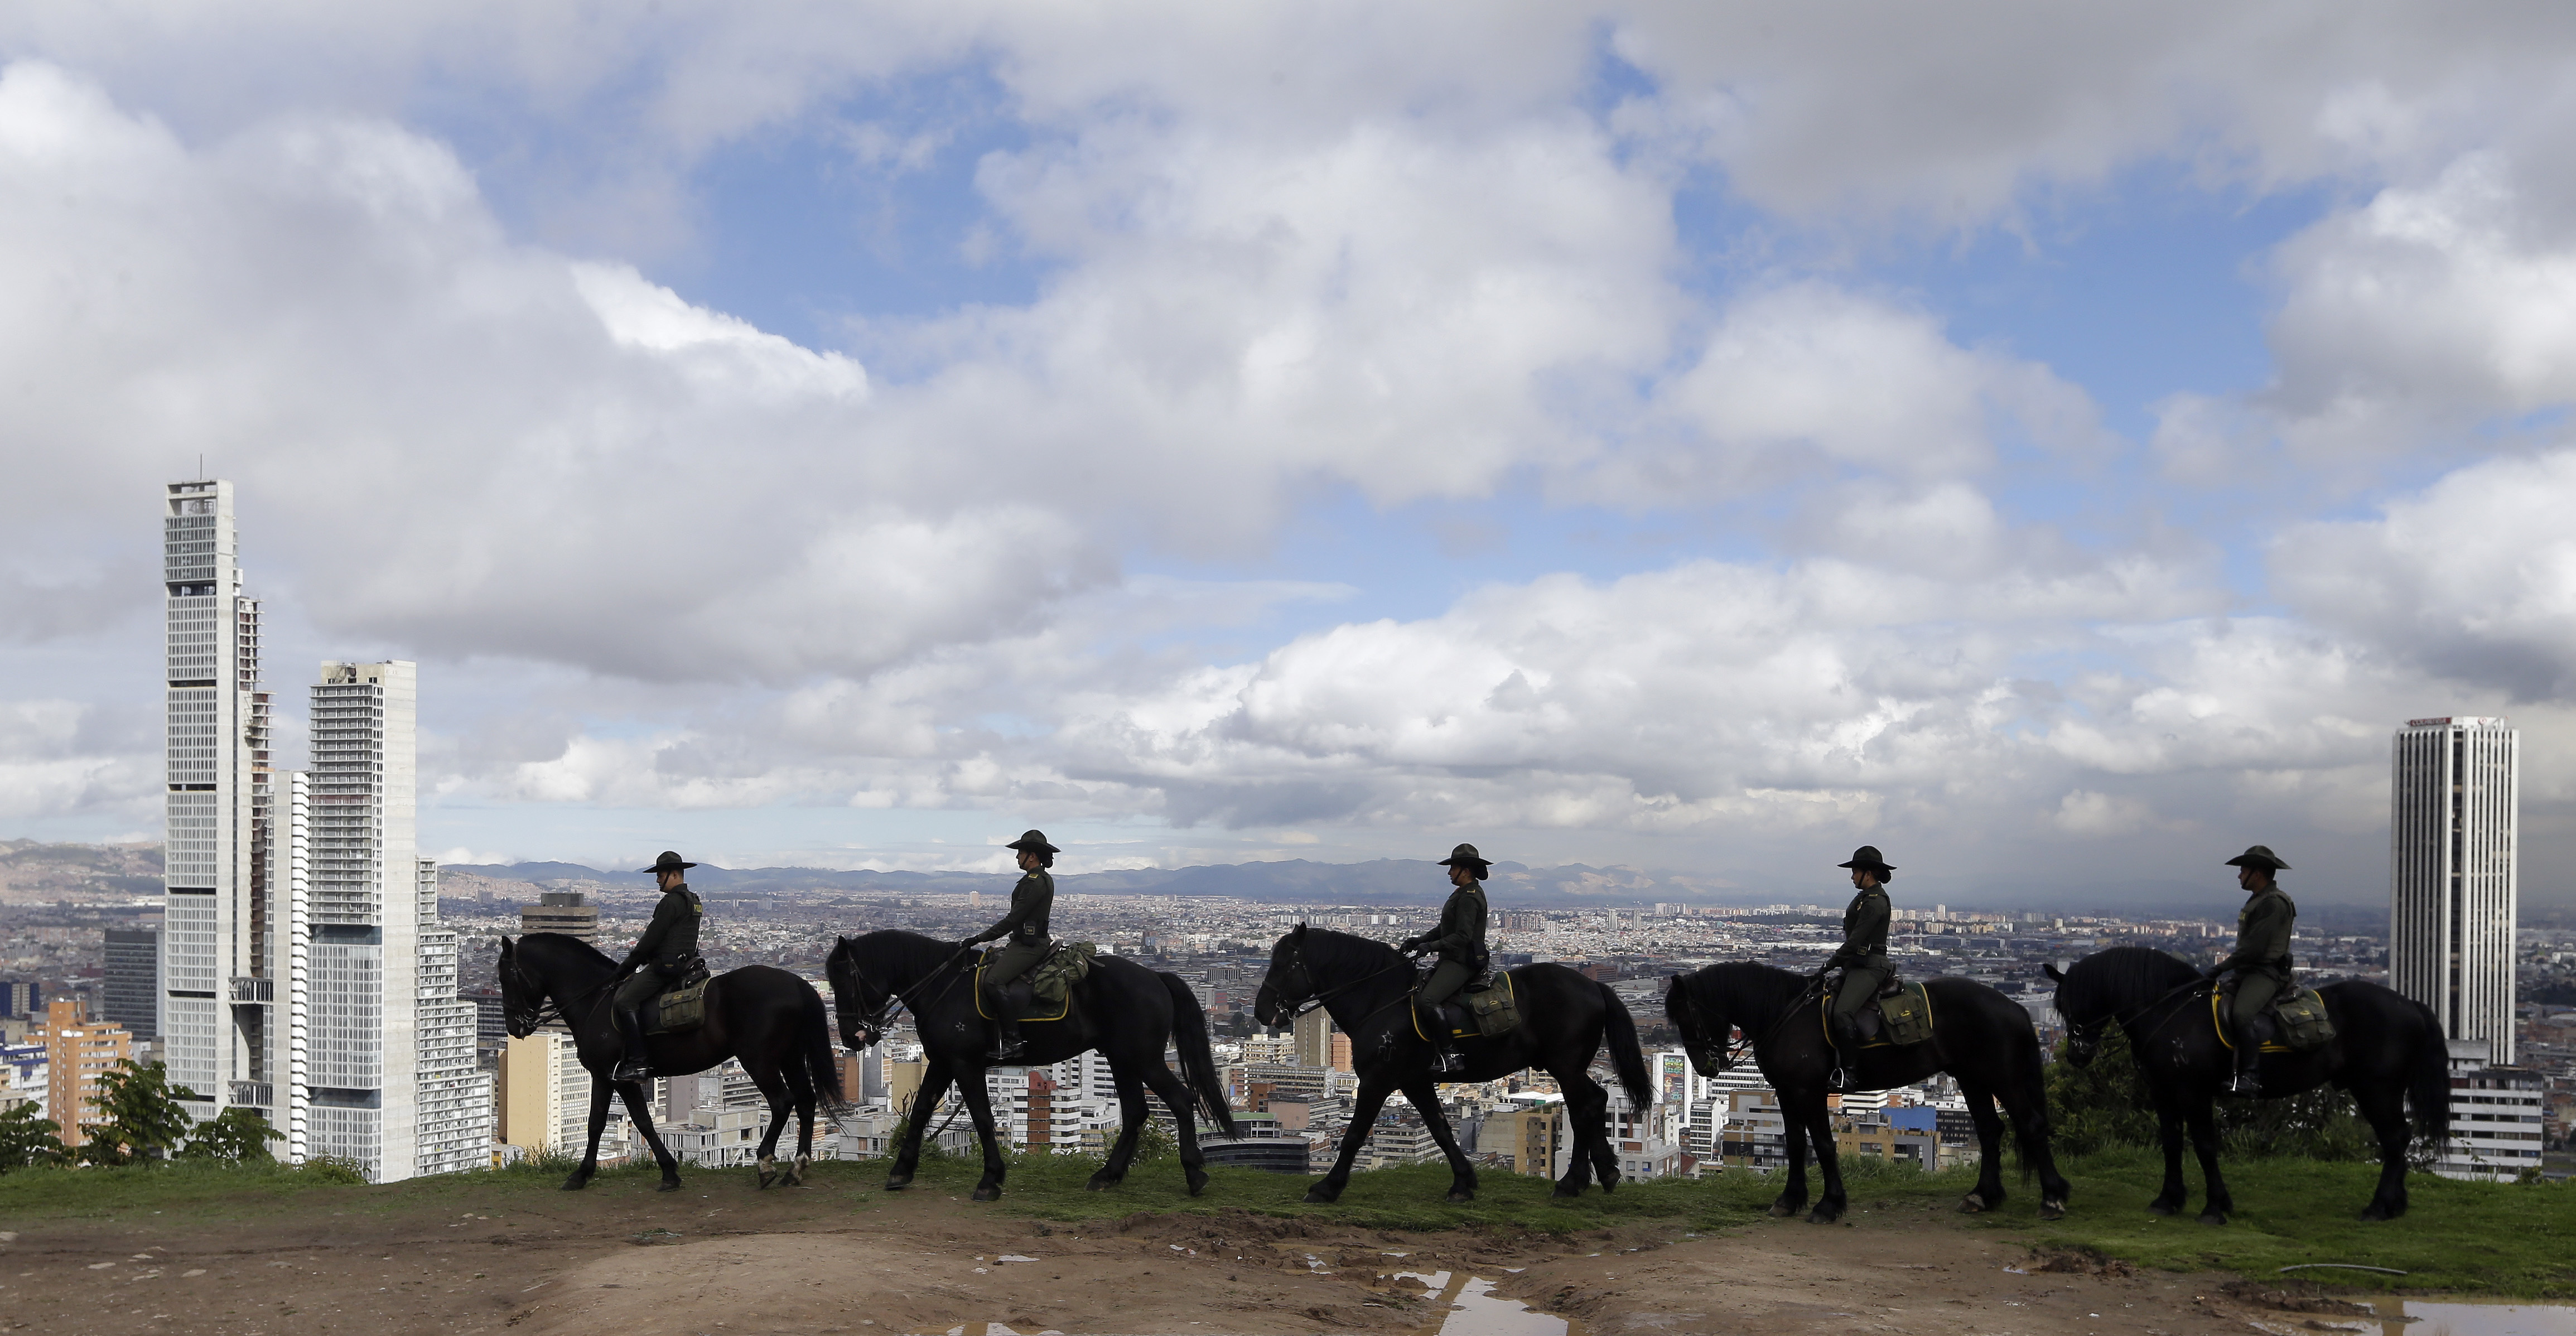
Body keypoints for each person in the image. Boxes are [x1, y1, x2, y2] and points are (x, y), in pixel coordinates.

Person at [2209, 845, 2296, 1096]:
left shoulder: (2274, 903)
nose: (2239, 876)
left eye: (2243, 871)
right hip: (2249, 971)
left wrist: (2220, 968)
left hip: (2266, 973)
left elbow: (2254, 950)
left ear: (2257, 874)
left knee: (2242, 1014)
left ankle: (2250, 1077)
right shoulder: (2259, 899)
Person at [964, 829, 1059, 1062]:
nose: (1017, 857)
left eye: (1021, 853)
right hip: (1026, 942)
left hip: (1029, 946)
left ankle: (1013, 1041)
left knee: (993, 981)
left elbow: (1014, 919)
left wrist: (980, 938)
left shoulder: (1035, 883)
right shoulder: (1038, 879)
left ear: (1032, 856)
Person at [610, 851, 705, 1082]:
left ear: (674, 875)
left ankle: (638, 1063)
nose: (657, 880)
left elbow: (651, 940)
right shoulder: (694, 901)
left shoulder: (671, 903)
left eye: (661, 875)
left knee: (625, 1001)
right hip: (688, 965)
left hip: (666, 968)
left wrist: (626, 968)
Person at [1399, 843, 1492, 1074]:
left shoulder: (1469, 897)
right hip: (1451, 958)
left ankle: (1452, 1055)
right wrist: (1420, 940)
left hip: (1462, 962)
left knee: (1428, 1000)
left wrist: (1430, 947)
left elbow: (1462, 936)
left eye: (1453, 868)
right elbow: (1446, 928)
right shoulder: (1462, 894)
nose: (1449, 872)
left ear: (1466, 871)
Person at [1825, 845, 1894, 1091]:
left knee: (1842, 1012)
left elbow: (1855, 941)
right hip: (1856, 965)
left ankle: (1850, 1074)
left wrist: (1829, 964)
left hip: (1870, 966)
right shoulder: (1864, 898)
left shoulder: (1875, 902)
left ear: (1869, 873)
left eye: (1855, 871)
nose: (1852, 876)